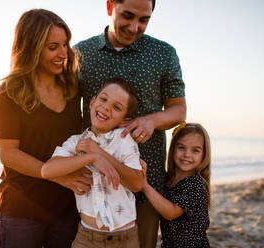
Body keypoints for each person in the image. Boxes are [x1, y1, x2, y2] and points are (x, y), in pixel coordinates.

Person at [74, 0, 186, 247]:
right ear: (109, 6)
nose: (135, 27)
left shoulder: (163, 53)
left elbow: (179, 110)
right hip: (90, 184)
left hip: (146, 184)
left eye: (144, 20)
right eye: (128, 16)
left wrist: (152, 120)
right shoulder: (81, 52)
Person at [0, 9, 91, 248]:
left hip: (66, 209)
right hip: (20, 211)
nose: (63, 54)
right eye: (53, 47)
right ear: (32, 47)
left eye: (65, 45)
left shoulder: (72, 88)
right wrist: (59, 175)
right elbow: (8, 155)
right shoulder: (9, 92)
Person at [41, 77, 144, 247]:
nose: (106, 107)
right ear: (92, 102)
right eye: (103, 99)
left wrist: (99, 152)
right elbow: (47, 170)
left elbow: (136, 184)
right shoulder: (76, 142)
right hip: (86, 237)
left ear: (124, 121)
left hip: (125, 239)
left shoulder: (124, 140)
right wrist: (92, 157)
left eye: (116, 107)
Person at [141, 122, 211, 248]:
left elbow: (171, 212)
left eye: (195, 150)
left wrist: (144, 186)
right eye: (181, 147)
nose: (187, 154)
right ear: (173, 148)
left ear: (204, 155)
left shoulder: (195, 184)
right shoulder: (168, 180)